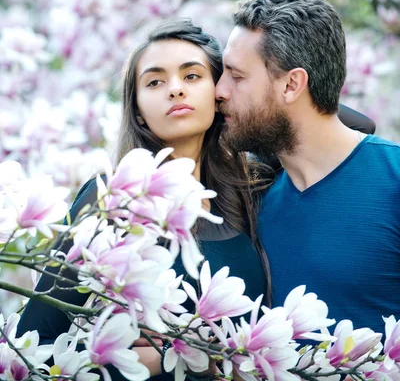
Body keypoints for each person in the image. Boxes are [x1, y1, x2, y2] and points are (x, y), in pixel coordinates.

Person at [17, 19, 374, 379]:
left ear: (219, 91)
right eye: (155, 82)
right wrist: (137, 355)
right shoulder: (115, 198)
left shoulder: (248, 189)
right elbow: (35, 337)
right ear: (138, 109)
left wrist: (253, 86)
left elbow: (356, 127)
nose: (175, 90)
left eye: (191, 76)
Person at [215, 0, 400, 337]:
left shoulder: (393, 182)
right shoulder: (252, 201)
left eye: (237, 77)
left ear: (291, 85)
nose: (219, 90)